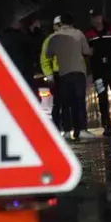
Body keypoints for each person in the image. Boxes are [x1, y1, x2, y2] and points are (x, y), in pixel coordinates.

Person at [45, 12, 94, 140]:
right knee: (79, 101)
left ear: (61, 23)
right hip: (79, 72)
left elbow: (48, 54)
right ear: (72, 22)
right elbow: (86, 51)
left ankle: (67, 131)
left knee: (65, 103)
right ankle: (81, 129)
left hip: (63, 73)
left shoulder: (54, 37)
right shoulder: (79, 34)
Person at [85, 9, 111, 137]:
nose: (95, 20)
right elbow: (86, 53)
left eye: (97, 17)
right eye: (93, 18)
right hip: (98, 71)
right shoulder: (88, 34)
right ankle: (106, 125)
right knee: (102, 98)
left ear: (102, 17)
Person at [0, 11, 44, 99]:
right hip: (23, 74)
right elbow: (38, 46)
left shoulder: (2, 37)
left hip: (7, 75)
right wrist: (36, 30)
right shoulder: (20, 37)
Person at [40, 17, 63, 133]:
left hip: (70, 73)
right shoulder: (49, 40)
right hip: (57, 74)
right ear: (54, 26)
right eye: (59, 25)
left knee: (71, 102)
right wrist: (49, 75)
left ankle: (71, 128)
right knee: (57, 102)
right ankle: (57, 128)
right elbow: (44, 60)